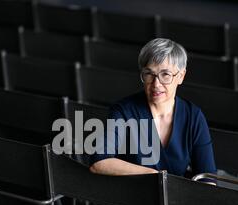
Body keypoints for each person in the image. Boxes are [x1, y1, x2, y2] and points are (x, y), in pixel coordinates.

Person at [89, 38, 216, 178]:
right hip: (128, 196)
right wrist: (154, 175)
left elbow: (207, 177)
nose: (156, 84)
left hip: (175, 198)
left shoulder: (193, 116)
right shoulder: (123, 111)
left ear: (181, 76)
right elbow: (99, 161)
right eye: (149, 74)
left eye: (165, 75)